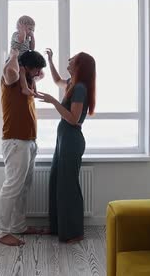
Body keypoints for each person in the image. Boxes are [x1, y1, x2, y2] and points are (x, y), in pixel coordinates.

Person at [36, 48, 96, 243]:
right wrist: (50, 60)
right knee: (57, 181)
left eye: (73, 59)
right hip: (64, 138)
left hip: (71, 139)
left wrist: (53, 101)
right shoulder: (73, 84)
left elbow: (73, 118)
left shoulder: (80, 89)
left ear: (79, 66)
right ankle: (58, 228)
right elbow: (57, 81)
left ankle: (74, 232)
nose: (69, 60)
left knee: (68, 186)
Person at [0, 48, 46, 246]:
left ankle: (18, 226)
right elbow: (9, 72)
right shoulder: (11, 80)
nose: (37, 74)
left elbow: (41, 73)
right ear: (25, 68)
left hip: (28, 141)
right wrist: (15, 55)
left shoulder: (28, 80)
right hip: (15, 141)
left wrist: (31, 46)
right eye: (34, 70)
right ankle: (1, 232)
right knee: (12, 187)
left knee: (23, 187)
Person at [10, 15, 37, 96]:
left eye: (32, 30)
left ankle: (34, 90)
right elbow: (21, 40)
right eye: (29, 29)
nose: (31, 31)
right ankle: (25, 88)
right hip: (16, 59)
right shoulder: (16, 34)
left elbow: (32, 49)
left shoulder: (28, 38)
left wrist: (32, 37)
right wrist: (23, 31)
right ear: (20, 27)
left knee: (32, 72)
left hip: (24, 60)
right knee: (22, 70)